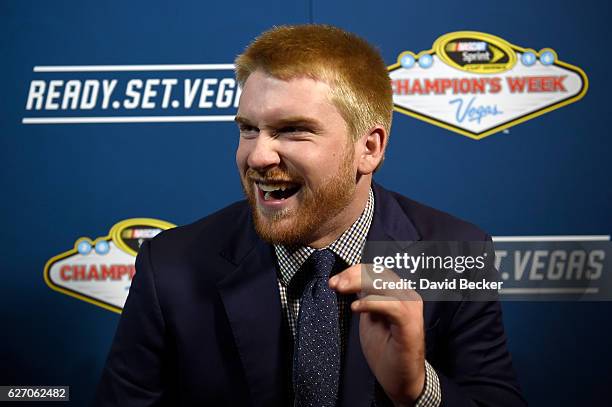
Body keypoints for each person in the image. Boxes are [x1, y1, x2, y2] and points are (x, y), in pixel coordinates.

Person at [94, 25, 526, 406]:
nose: (258, 156)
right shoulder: (168, 266)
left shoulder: (454, 253)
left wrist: (416, 389)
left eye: (292, 130)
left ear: (369, 148)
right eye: (248, 129)